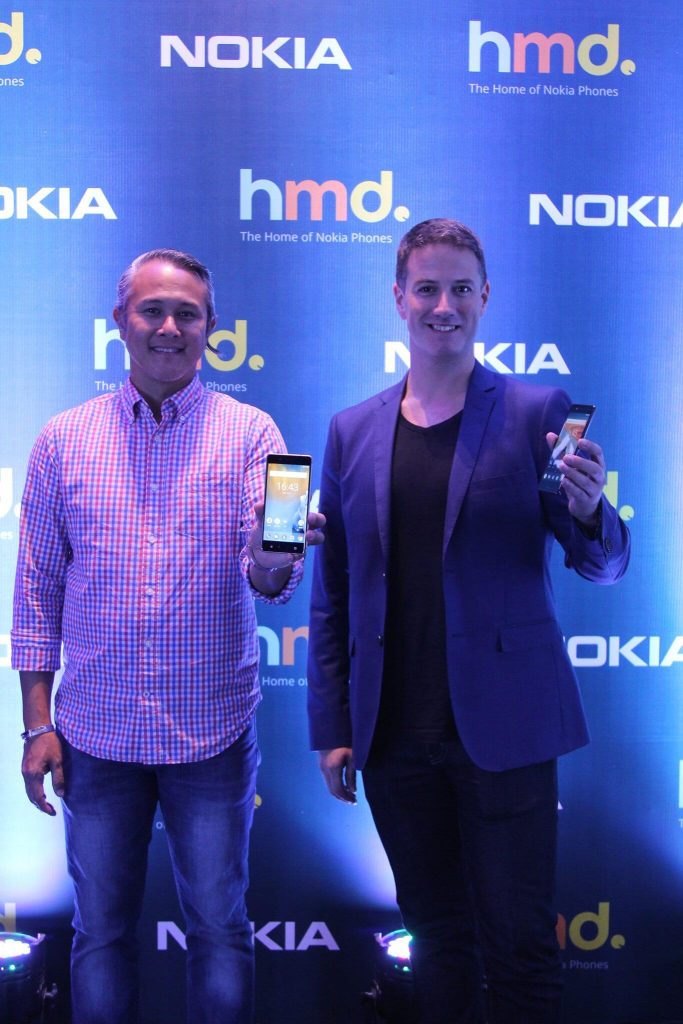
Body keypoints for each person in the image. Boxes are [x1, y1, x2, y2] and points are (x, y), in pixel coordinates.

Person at [307, 219, 630, 1024]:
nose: (442, 306)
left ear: (485, 297)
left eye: (459, 289)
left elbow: (601, 564)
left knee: (519, 948)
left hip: (505, 731)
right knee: (436, 944)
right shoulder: (351, 429)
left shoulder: (533, 411)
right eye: (426, 288)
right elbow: (333, 590)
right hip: (392, 737)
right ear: (398, 298)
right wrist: (333, 725)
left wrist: (590, 513)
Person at [12, 248, 324, 1024]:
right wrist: (37, 725)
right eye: (152, 310)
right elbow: (36, 594)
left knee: (219, 929)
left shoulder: (250, 434)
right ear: (120, 321)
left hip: (211, 732)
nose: (169, 327)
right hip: (94, 735)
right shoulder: (62, 440)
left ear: (210, 327)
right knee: (99, 934)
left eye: (187, 313)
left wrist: (273, 552)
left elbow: (269, 581)